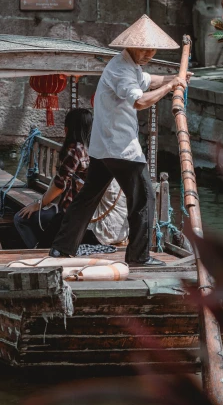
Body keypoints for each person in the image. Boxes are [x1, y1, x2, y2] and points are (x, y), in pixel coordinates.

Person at [49, 15, 188, 267]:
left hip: (104, 148)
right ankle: (138, 256)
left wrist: (174, 78)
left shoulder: (126, 65)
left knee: (87, 198)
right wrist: (170, 88)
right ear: (132, 46)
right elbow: (140, 101)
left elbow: (148, 81)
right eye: (144, 49)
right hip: (122, 150)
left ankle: (61, 248)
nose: (148, 53)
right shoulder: (122, 70)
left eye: (152, 49)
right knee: (144, 199)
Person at [14, 108, 92, 249]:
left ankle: (37, 251)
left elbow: (59, 185)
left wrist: (38, 204)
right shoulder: (92, 149)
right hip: (85, 209)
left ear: (68, 129)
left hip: (69, 212)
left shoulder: (74, 150)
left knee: (21, 218)